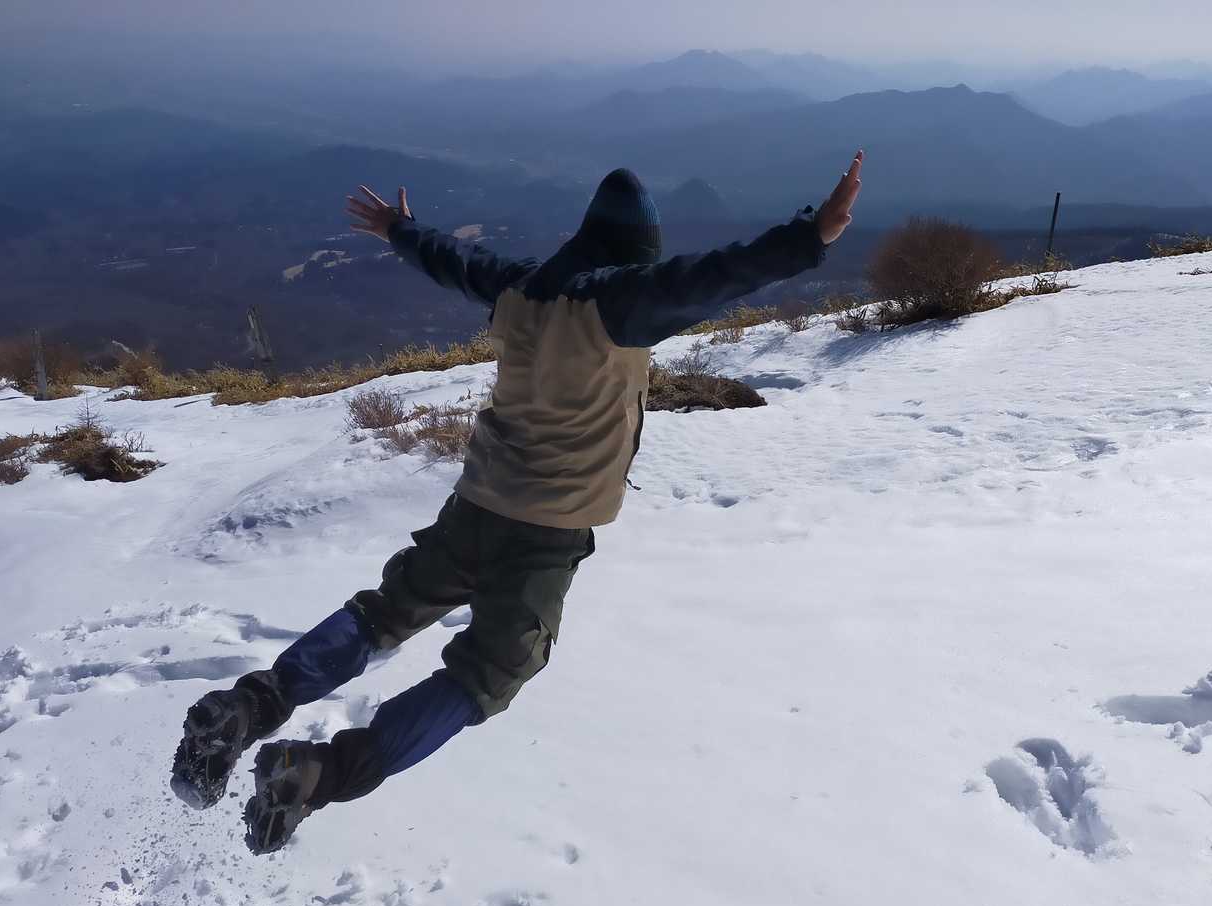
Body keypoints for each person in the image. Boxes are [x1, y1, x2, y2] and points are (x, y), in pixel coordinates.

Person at [171, 150, 866, 853]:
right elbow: (717, 274)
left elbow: (461, 262)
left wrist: (400, 230)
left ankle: (251, 703)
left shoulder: (522, 288)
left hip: (476, 503)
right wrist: (812, 236)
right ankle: (320, 774)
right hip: (546, 530)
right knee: (491, 672)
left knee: (384, 613)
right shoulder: (622, 303)